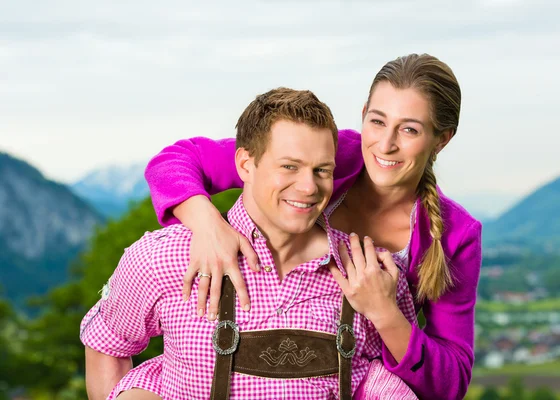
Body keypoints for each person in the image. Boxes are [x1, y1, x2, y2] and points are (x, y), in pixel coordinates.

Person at [144, 53, 483, 400]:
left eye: (410, 129)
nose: (386, 144)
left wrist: (384, 312)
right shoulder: (322, 159)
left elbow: (450, 383)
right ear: (364, 113)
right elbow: (177, 161)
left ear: (442, 139)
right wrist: (207, 224)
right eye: (378, 121)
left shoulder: (455, 235)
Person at [80, 87, 418, 400]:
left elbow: (384, 378)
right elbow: (108, 343)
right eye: (289, 167)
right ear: (245, 164)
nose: (308, 187)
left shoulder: (372, 274)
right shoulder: (163, 258)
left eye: (321, 170)